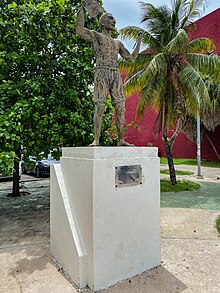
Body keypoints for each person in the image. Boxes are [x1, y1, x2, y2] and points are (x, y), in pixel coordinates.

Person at [76, 4, 142, 146]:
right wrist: (82, 9)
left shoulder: (117, 43)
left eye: (114, 19)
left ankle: (121, 140)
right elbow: (79, 30)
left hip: (115, 73)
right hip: (102, 71)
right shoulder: (96, 36)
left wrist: (138, 42)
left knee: (120, 108)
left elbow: (131, 58)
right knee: (99, 106)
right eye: (110, 18)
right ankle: (96, 140)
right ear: (102, 22)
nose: (114, 21)